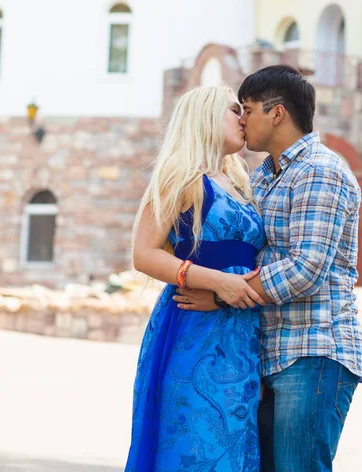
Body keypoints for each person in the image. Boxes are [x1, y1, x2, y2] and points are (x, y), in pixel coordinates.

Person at [174, 65, 362, 472]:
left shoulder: (320, 169)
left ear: (276, 113)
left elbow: (305, 267)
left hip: (314, 349)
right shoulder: (262, 176)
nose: (242, 119)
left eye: (247, 108)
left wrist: (222, 292)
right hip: (266, 352)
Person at [124, 85, 268, 472]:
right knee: (198, 444)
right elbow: (144, 253)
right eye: (234, 110)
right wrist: (217, 283)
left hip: (244, 334)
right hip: (196, 330)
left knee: (236, 446)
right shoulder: (180, 175)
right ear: (205, 116)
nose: (243, 118)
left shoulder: (241, 184)